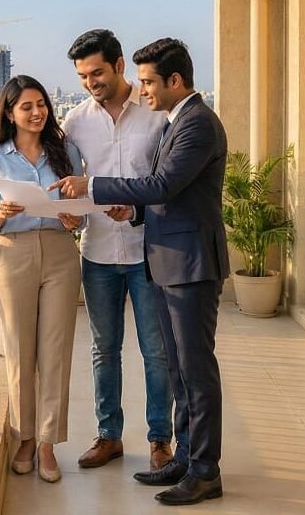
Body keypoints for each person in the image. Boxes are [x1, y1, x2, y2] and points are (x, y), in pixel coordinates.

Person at [0, 29, 175, 471]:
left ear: (119, 66)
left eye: (97, 73)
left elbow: (166, 179)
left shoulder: (154, 113)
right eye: (83, 76)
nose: (90, 83)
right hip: (97, 251)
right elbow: (43, 166)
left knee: (156, 350)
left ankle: (160, 440)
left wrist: (130, 208)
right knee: (104, 350)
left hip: (146, 248)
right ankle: (108, 436)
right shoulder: (77, 122)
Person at [51, 37, 228, 506]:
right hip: (165, 259)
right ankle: (185, 459)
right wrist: (133, 212)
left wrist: (95, 186)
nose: (144, 89)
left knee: (194, 371)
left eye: (149, 82)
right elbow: (169, 196)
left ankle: (204, 471)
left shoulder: (196, 123)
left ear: (175, 80)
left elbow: (163, 184)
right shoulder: (177, 120)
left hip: (189, 262)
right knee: (179, 369)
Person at [0, 75, 84, 484]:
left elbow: (79, 209)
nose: (37, 112)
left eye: (41, 104)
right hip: (13, 253)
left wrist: (73, 218)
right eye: (27, 106)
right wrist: (0, 214)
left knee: (55, 351)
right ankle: (24, 436)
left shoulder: (67, 151)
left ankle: (47, 443)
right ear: (9, 113)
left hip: (60, 253)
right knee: (19, 351)